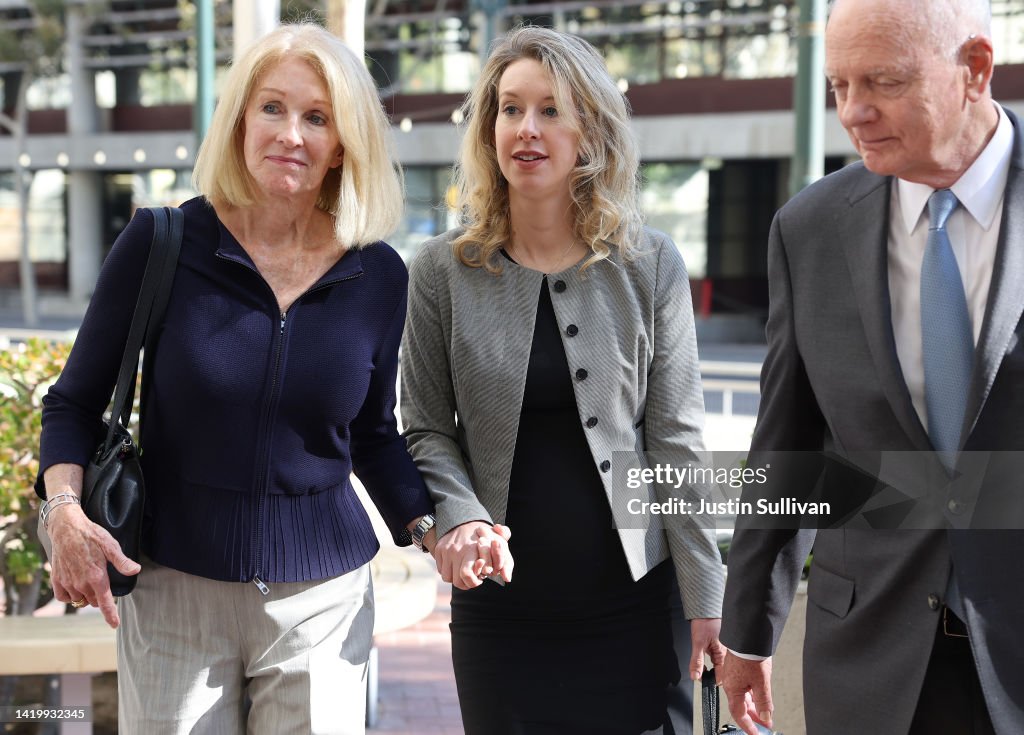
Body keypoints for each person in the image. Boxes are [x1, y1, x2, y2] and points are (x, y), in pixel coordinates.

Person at [35, 23, 435, 734]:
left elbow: (372, 433)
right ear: (241, 119)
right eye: (272, 108)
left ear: (344, 143)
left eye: (317, 117)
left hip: (322, 602)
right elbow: (73, 402)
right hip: (173, 593)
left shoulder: (379, 275)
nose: (291, 133)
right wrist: (62, 512)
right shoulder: (163, 242)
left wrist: (436, 526)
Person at [400, 25, 726, 735]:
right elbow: (425, 426)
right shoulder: (441, 271)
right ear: (488, 129)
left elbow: (677, 441)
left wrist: (707, 596)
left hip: (637, 609)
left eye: (551, 109)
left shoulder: (650, 264)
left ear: (590, 128)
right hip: (501, 618)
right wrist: (461, 516)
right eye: (510, 109)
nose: (528, 128)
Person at [717, 1, 1024, 733]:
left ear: (975, 70)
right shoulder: (809, 227)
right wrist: (749, 625)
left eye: (881, 82)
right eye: (838, 86)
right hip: (869, 660)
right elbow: (787, 443)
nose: (853, 112)